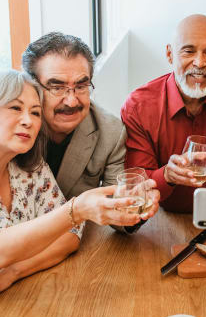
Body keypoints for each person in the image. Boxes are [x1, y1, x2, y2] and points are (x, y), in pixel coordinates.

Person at [0, 70, 144, 291]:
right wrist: (76, 210)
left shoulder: (30, 168)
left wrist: (14, 271)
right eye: (15, 108)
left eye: (36, 113)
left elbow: (70, 235)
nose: (28, 121)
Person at [21, 32, 159, 234]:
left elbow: (116, 210)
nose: (71, 101)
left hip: (76, 244)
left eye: (81, 86)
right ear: (32, 87)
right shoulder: (10, 127)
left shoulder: (111, 133)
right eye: (57, 87)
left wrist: (135, 209)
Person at [121, 14, 206, 213]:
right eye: (188, 51)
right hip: (164, 217)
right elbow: (136, 187)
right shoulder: (139, 107)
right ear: (169, 54)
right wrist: (167, 174)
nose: (199, 63)